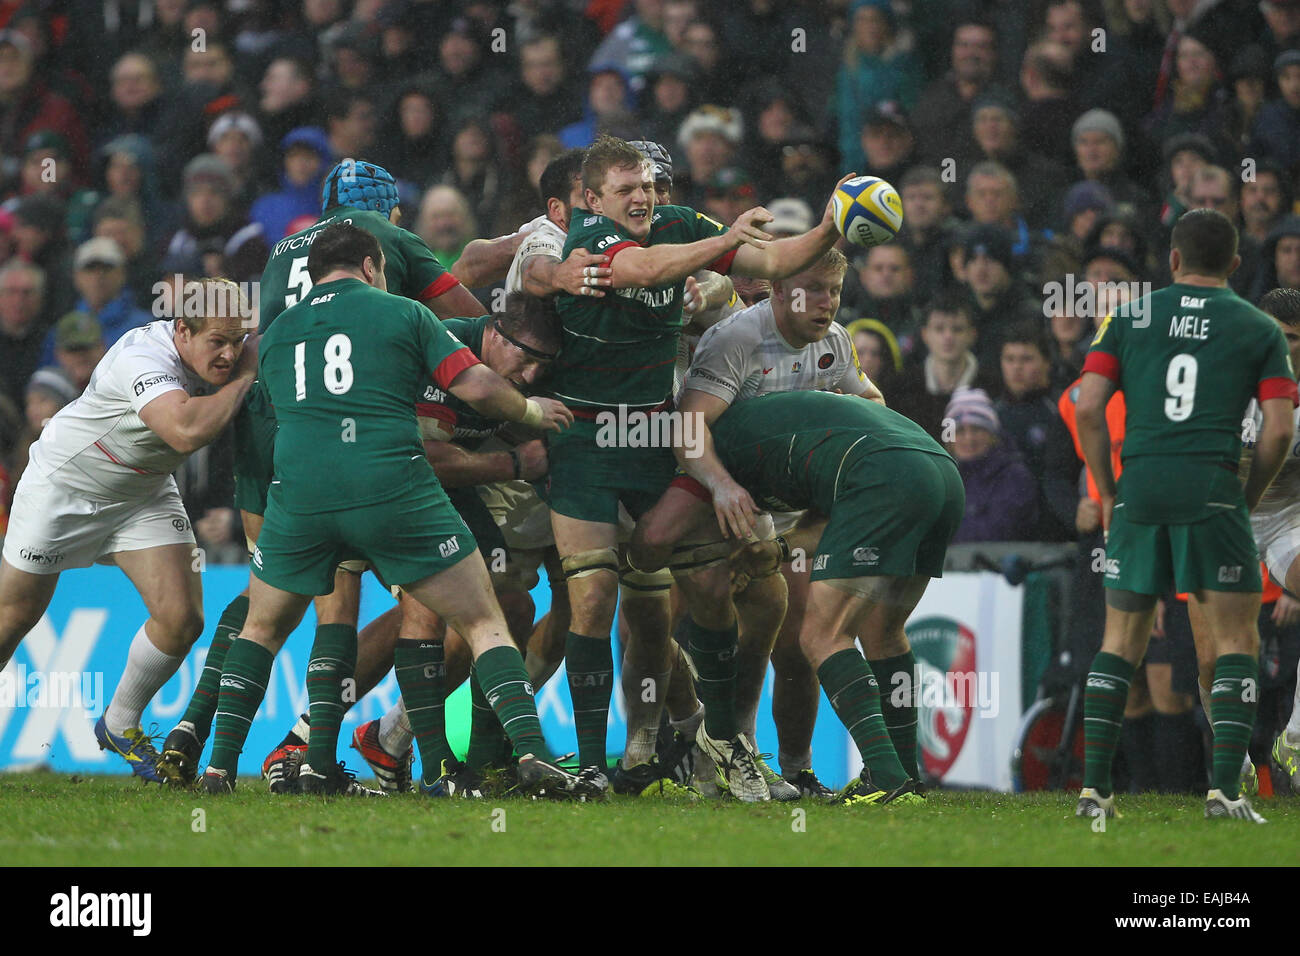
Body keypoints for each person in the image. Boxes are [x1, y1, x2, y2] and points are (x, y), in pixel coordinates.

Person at [197, 222, 584, 798]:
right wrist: (529, 413)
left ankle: (219, 770)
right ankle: (526, 755)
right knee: (483, 615)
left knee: (261, 626)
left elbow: (278, 410)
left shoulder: (276, 334)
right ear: (373, 267)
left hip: (300, 492)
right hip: (389, 484)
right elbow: (475, 383)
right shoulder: (403, 314)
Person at [157, 160, 487, 789]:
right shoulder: (381, 237)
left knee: (269, 597)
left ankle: (194, 734)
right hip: (338, 426)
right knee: (368, 602)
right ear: (388, 214)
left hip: (266, 419)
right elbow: (469, 322)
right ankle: (321, 756)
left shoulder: (287, 247)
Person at [547, 134, 850, 795]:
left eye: (650, 186)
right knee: (594, 598)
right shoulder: (589, 244)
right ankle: (598, 764)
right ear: (593, 200)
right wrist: (719, 249)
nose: (644, 198)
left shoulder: (681, 226)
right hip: (584, 437)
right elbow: (650, 272)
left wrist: (831, 225)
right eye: (627, 189)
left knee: (712, 587)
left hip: (658, 432)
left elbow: (772, 257)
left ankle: (722, 747)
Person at [630, 388, 963, 804]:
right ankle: (906, 776)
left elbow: (654, 539)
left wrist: (628, 553)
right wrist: (779, 549)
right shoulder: (782, 434)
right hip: (940, 472)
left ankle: (888, 779)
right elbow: (833, 517)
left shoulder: (704, 459)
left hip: (882, 474)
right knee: (885, 633)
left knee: (821, 636)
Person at [1074, 209, 1297, 823]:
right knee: (1235, 643)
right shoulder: (1258, 327)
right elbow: (1278, 428)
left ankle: (1094, 792)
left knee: (1119, 642)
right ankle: (1225, 792)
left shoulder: (1129, 315)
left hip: (1141, 488)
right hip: (1214, 490)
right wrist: (1248, 495)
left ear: (1172, 260)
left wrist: (1108, 488)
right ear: (1234, 263)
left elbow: (1088, 406)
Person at [638, 247, 881, 801]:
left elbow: (873, 401)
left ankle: (786, 766)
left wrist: (855, 408)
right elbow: (688, 430)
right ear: (776, 288)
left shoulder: (836, 341)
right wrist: (724, 487)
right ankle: (662, 750)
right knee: (655, 616)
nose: (826, 304)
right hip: (719, 493)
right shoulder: (736, 340)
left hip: (788, 510)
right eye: (813, 290)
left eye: (835, 291)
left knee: (793, 644)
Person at [0, 279, 256, 783]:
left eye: (237, 341)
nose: (229, 353)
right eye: (217, 343)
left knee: (182, 619)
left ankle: (119, 723)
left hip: (142, 492)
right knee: (12, 619)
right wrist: (244, 377)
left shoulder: (231, 346)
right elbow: (185, 429)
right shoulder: (141, 356)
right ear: (182, 329)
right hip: (63, 489)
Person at [1239, 287, 1300, 792]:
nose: (1287, 350)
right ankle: (1232, 760)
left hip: (1284, 519)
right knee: (1217, 646)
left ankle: (1295, 739)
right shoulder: (1219, 379)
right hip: (1223, 518)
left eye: (1297, 340)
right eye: (1278, 337)